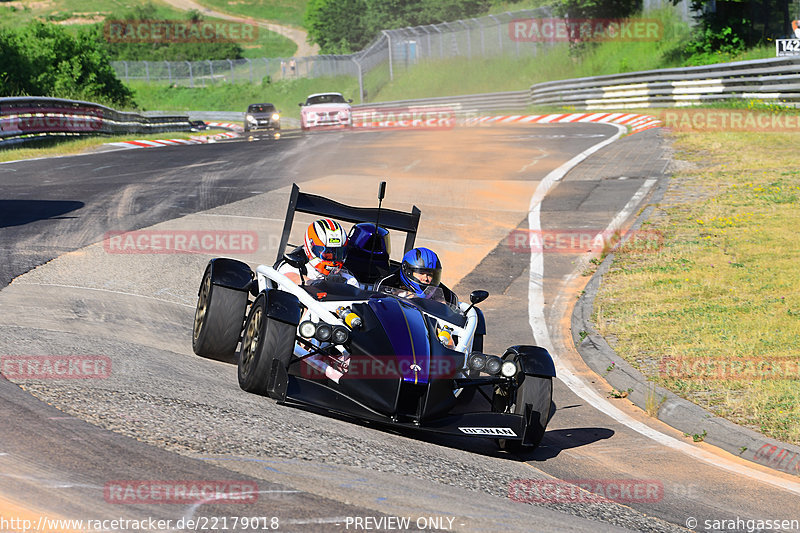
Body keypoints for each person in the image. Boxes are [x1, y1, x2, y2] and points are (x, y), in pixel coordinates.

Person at [278, 218, 359, 287]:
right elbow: (290, 279)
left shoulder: (348, 279)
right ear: (311, 247)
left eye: (338, 253)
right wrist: (317, 285)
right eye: (327, 253)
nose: (333, 257)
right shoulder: (292, 266)